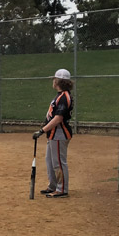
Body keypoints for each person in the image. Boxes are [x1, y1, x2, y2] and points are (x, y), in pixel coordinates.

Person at [32, 69, 74, 198]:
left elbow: (58, 118)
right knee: (50, 161)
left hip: (60, 133)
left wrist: (42, 130)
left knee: (58, 162)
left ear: (59, 81)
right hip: (53, 133)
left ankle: (62, 189)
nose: (53, 81)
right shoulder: (60, 96)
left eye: (54, 79)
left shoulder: (64, 97)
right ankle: (53, 185)